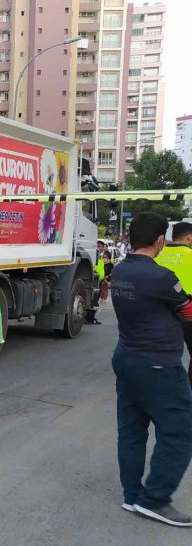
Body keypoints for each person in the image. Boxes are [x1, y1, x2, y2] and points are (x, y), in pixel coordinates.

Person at [111, 212, 192, 527]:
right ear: (160, 241)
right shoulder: (162, 277)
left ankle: (132, 497)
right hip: (158, 365)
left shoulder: (119, 271)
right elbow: (187, 312)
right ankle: (155, 499)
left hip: (126, 358)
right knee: (181, 431)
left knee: (131, 431)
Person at [156, 221, 192, 384]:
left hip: (160, 315)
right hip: (188, 314)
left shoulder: (157, 256)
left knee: (163, 360)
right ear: (189, 237)